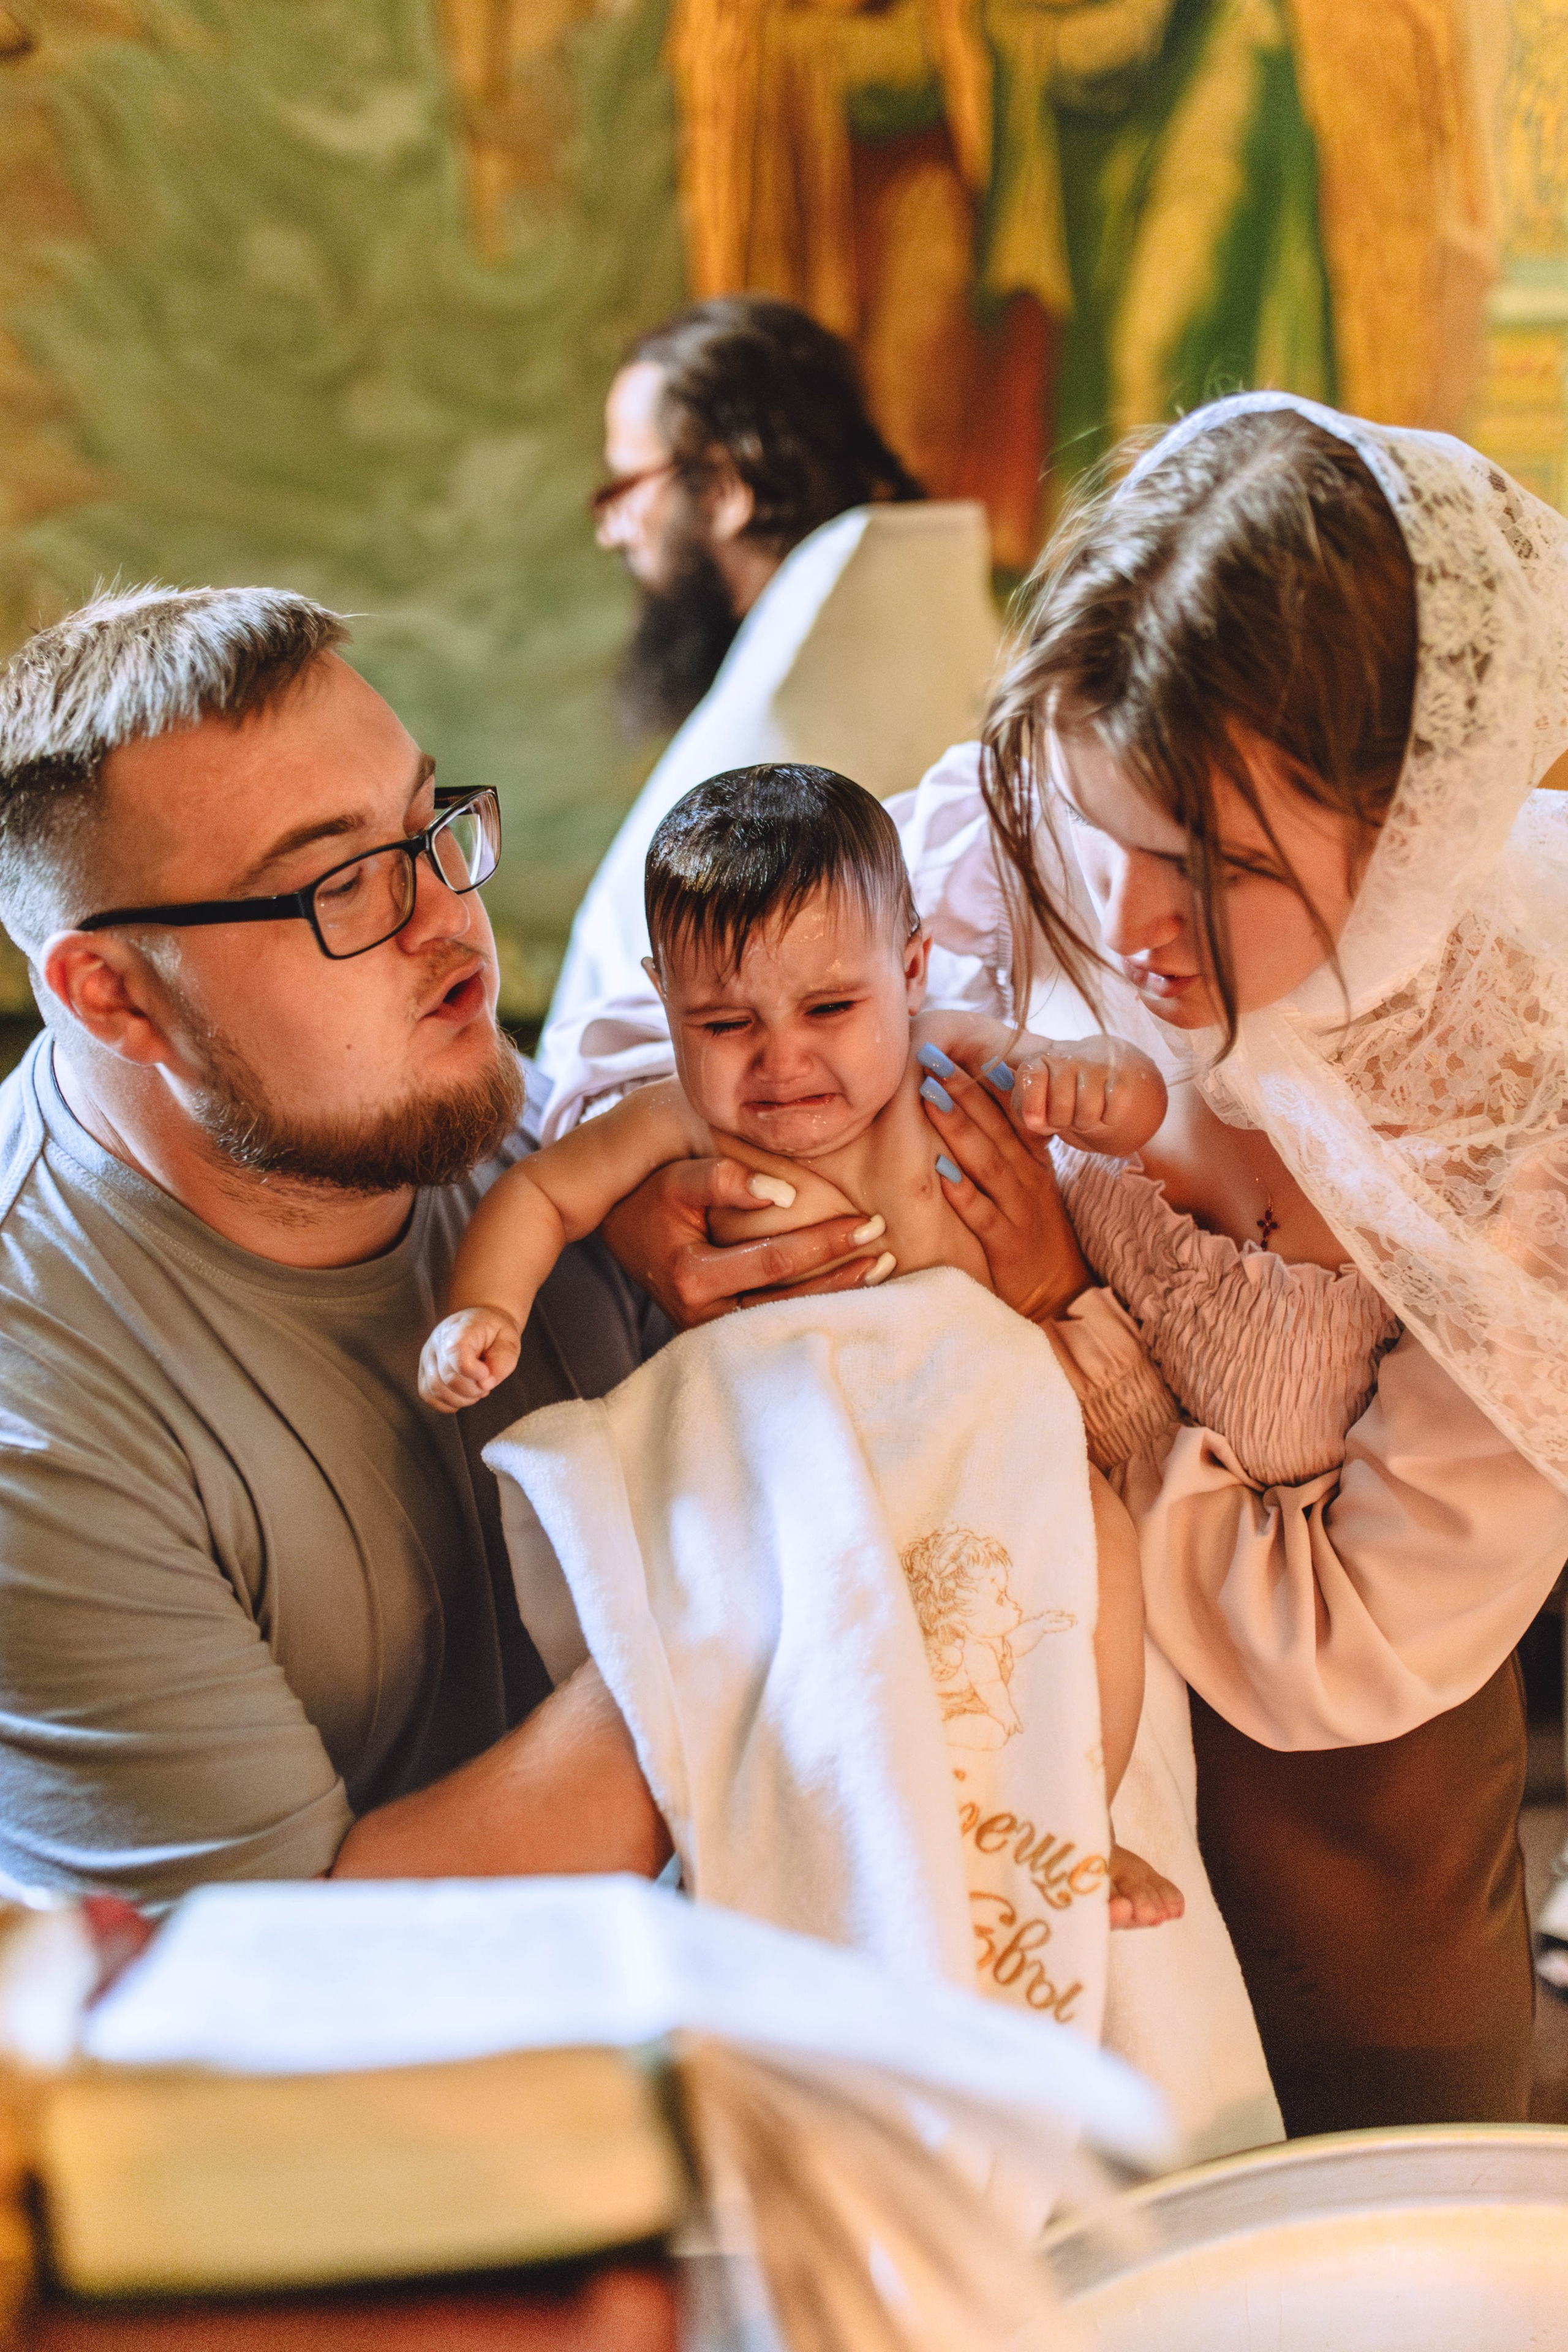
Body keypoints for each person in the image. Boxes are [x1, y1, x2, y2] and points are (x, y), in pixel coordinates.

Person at [546, 394, 1568, 2136]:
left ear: (1412, 827)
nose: (1131, 921)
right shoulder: (1004, 846)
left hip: (1334, 1853)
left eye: (1223, 870)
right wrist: (665, 1202)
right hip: (978, 1798)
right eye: (1106, 829)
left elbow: (1351, 1642)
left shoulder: (1515, 1114)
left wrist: (1056, 1324)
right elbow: (640, 1034)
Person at [0, 582, 743, 1905]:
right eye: (338, 882)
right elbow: (293, 1974)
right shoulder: (34, 1414)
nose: (445, 922)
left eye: (428, 827)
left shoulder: (453, 1102)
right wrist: (801, 1554)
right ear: (112, 995)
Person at [420, 763, 1178, 1928]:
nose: (782, 1064)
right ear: (664, 1002)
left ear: (909, 972)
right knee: (734, 1637)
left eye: (831, 1011)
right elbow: (543, 1197)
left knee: (1099, 1552)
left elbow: (1134, 1103)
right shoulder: (681, 1116)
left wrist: (1093, 1084)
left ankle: (1095, 1814)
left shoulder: (944, 1065)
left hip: (984, 1446)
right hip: (790, 1474)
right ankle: (745, 1846)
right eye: (724, 1025)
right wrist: (486, 1313)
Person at [535, 296, 1001, 1136]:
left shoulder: (810, 693)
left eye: (625, 487)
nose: (615, 532)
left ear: (725, 489)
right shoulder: (892, 616)